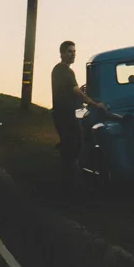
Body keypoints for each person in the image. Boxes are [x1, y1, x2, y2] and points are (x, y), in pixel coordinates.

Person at [51, 40, 107, 192]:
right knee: (75, 145)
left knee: (70, 146)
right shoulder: (65, 71)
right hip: (65, 116)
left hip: (61, 114)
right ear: (62, 53)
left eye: (74, 51)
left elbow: (70, 91)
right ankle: (73, 185)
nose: (73, 54)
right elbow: (76, 92)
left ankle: (69, 182)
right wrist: (95, 104)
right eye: (69, 51)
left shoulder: (59, 70)